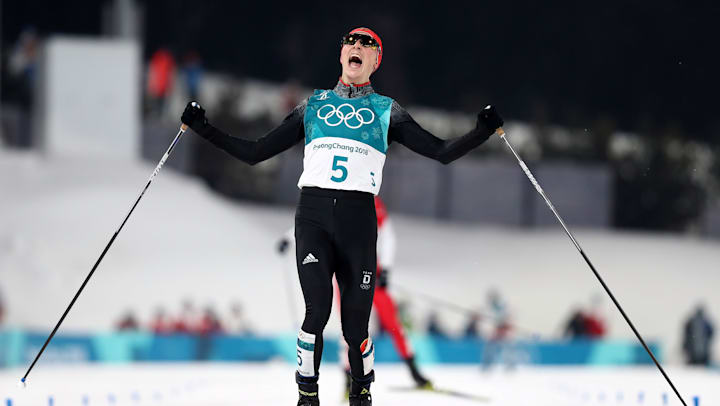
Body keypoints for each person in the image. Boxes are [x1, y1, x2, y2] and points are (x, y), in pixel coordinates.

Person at [180, 27, 503, 406]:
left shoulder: (387, 110)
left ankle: (361, 395)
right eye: (351, 41)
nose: (357, 46)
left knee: (355, 327)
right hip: (313, 218)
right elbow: (255, 152)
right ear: (341, 55)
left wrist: (481, 131)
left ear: (375, 61)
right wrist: (203, 129)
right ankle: (307, 396)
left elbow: (442, 151)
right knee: (316, 313)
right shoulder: (313, 105)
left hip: (358, 222)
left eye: (368, 44)